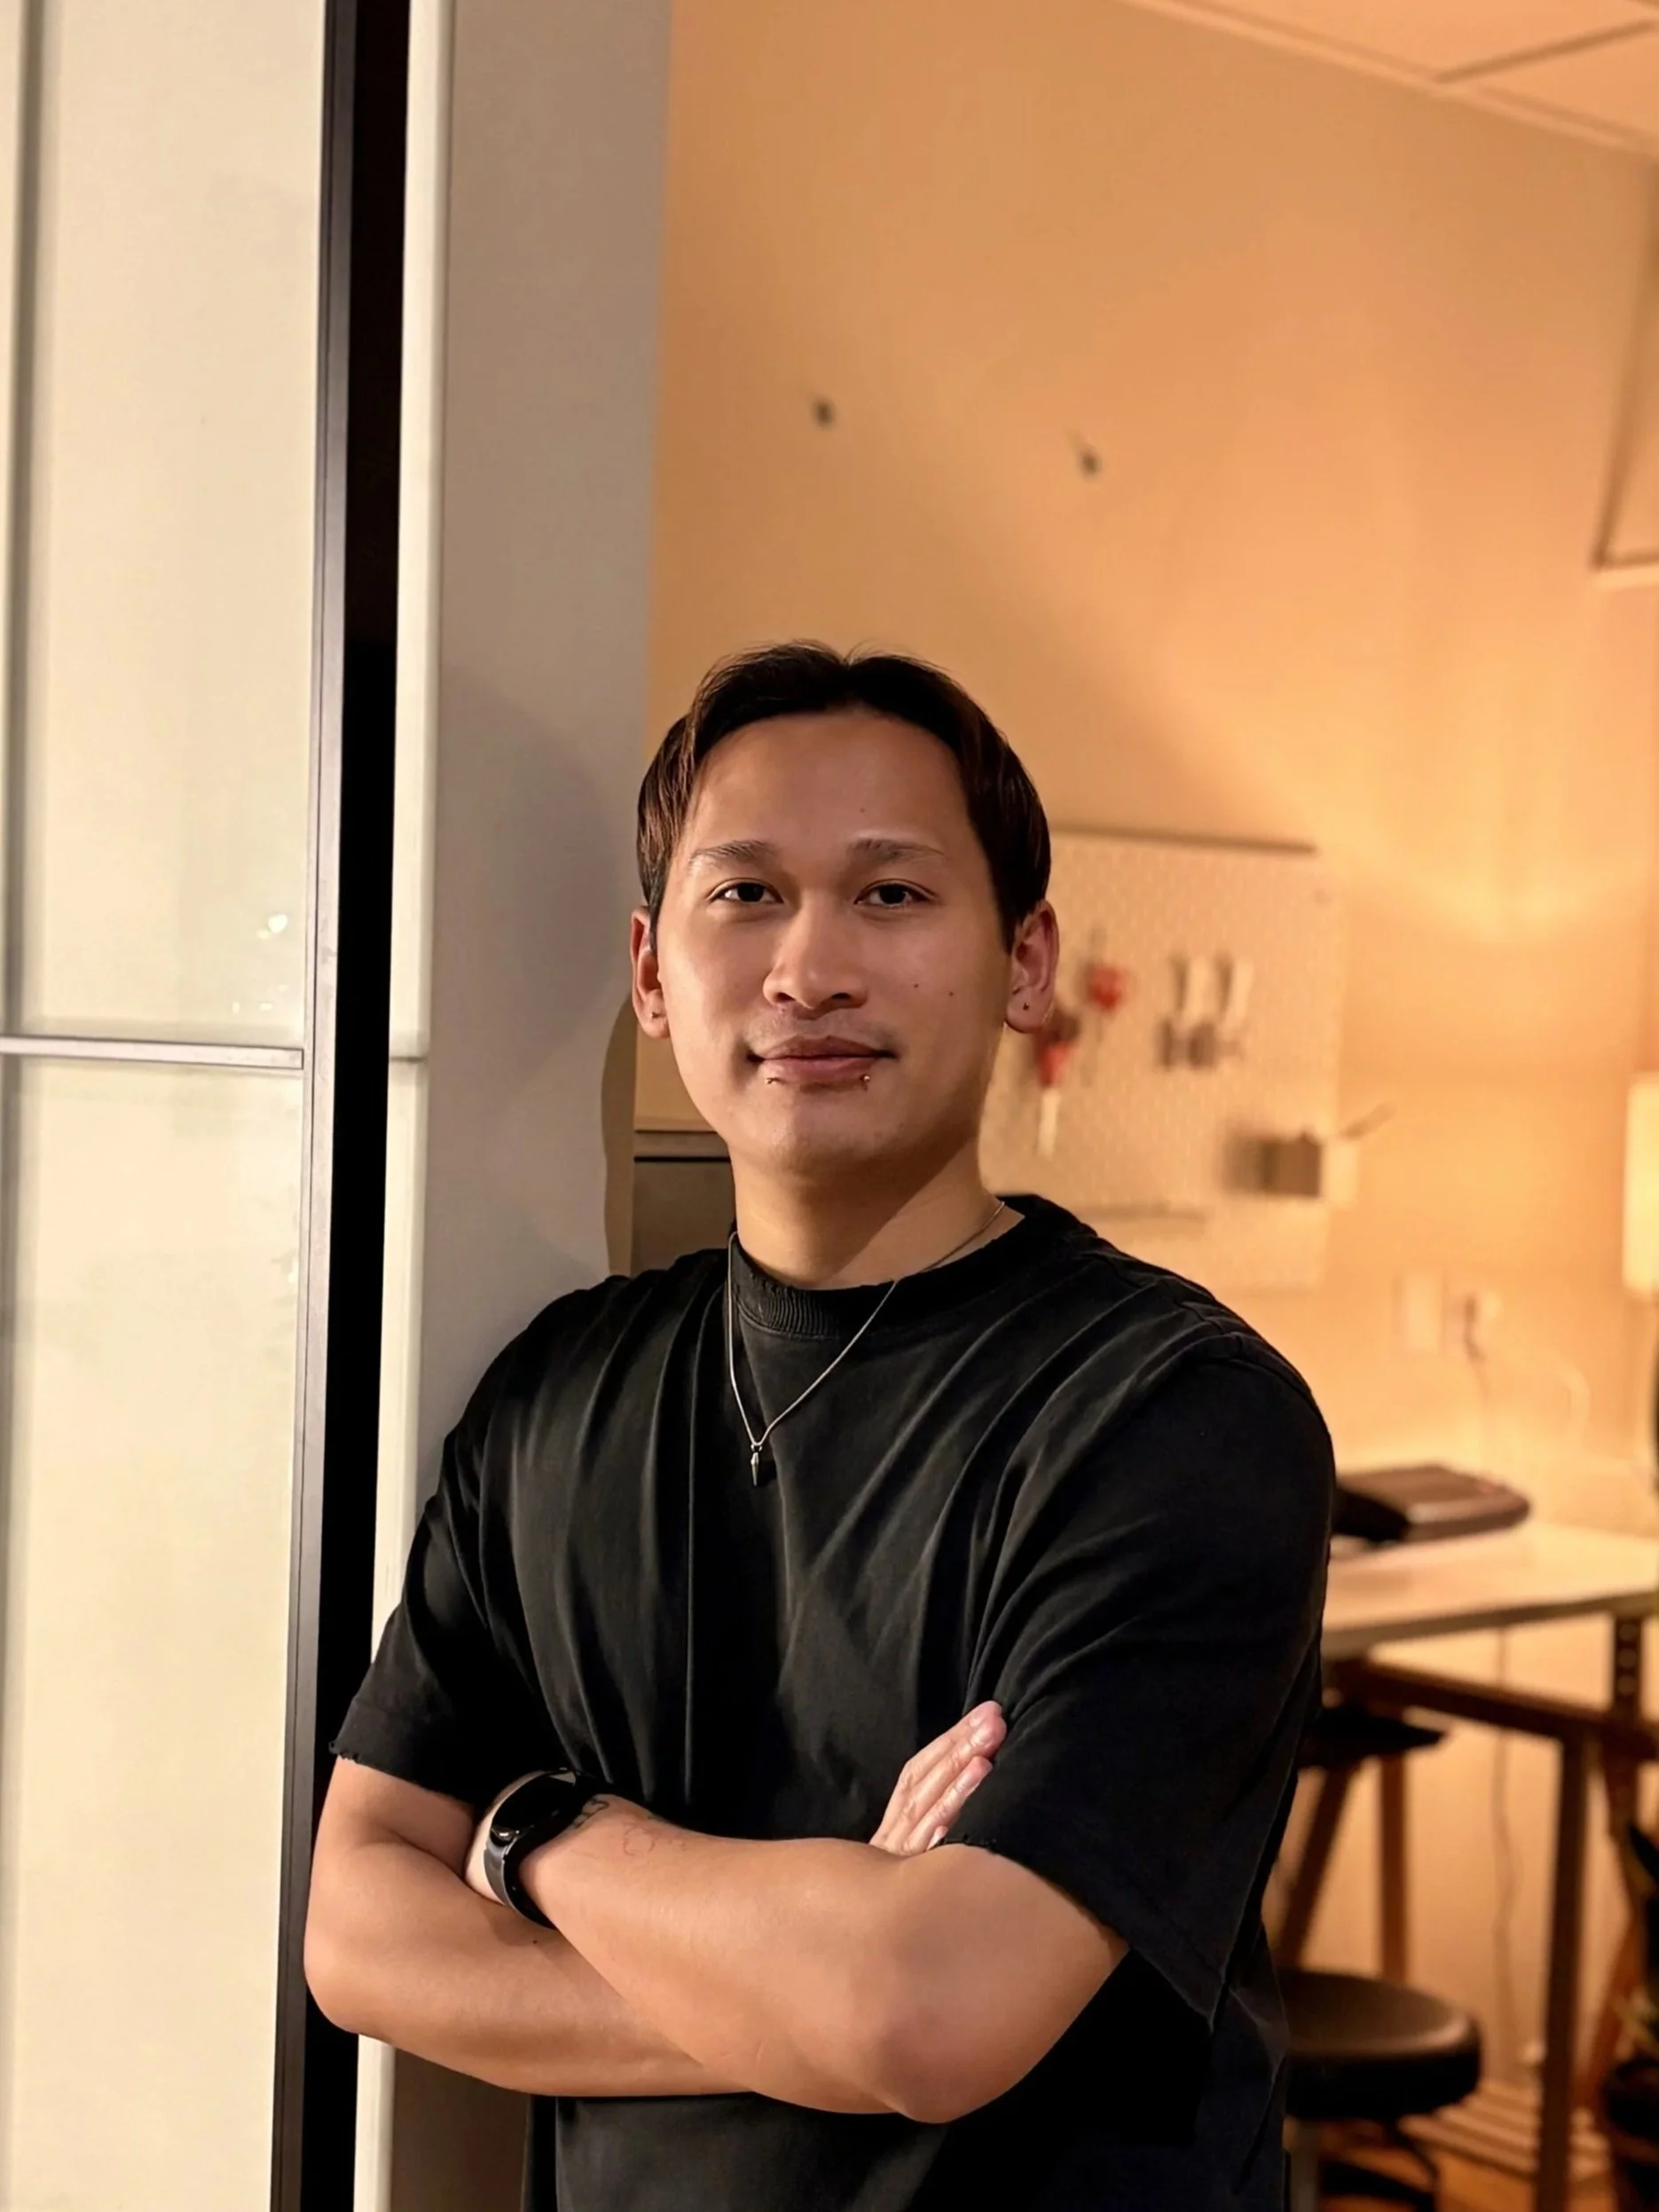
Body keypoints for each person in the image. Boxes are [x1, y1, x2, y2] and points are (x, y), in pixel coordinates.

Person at [306, 642, 1333, 2210]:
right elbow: (358, 1933)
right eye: (744, 896)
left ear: (1025, 960)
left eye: (892, 895)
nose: (809, 969)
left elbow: (927, 2010)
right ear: (652, 975)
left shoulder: (1173, 1417)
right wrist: (821, 1971)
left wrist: (537, 1833)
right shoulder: (556, 1395)